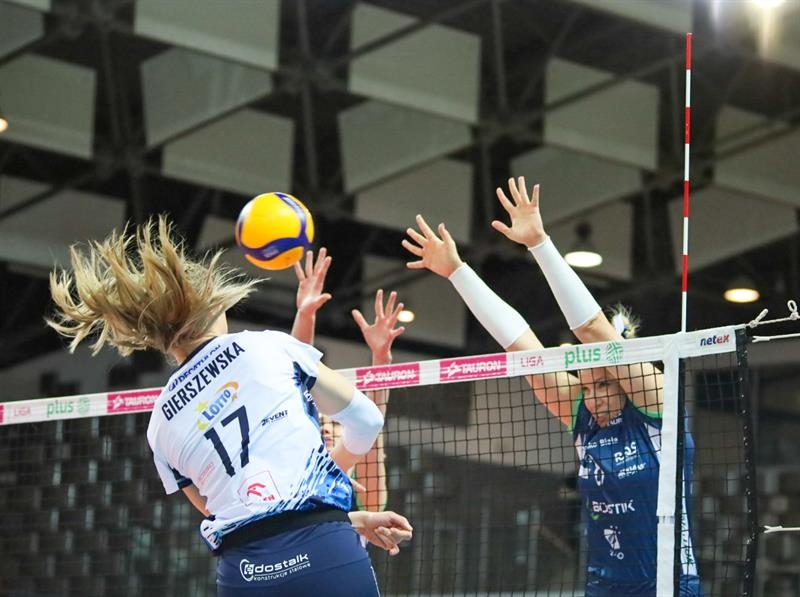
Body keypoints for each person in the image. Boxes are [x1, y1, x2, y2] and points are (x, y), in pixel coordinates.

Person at [46, 216, 412, 596]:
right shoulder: (267, 346)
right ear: (214, 306)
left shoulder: (160, 424)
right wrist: (329, 480)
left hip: (245, 574)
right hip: (325, 553)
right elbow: (367, 421)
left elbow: (224, 512)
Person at [402, 177, 702, 596]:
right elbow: (521, 346)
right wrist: (457, 272)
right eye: (586, 385)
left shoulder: (657, 406)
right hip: (605, 585)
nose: (592, 396)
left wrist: (539, 243)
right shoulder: (581, 416)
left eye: (603, 386)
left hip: (668, 585)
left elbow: (594, 330)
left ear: (626, 383)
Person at [291, 248, 404, 512]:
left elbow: (371, 428)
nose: (327, 429)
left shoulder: (363, 486)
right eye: (321, 422)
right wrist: (305, 314)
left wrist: (381, 360)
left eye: (337, 423)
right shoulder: (291, 468)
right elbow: (297, 376)